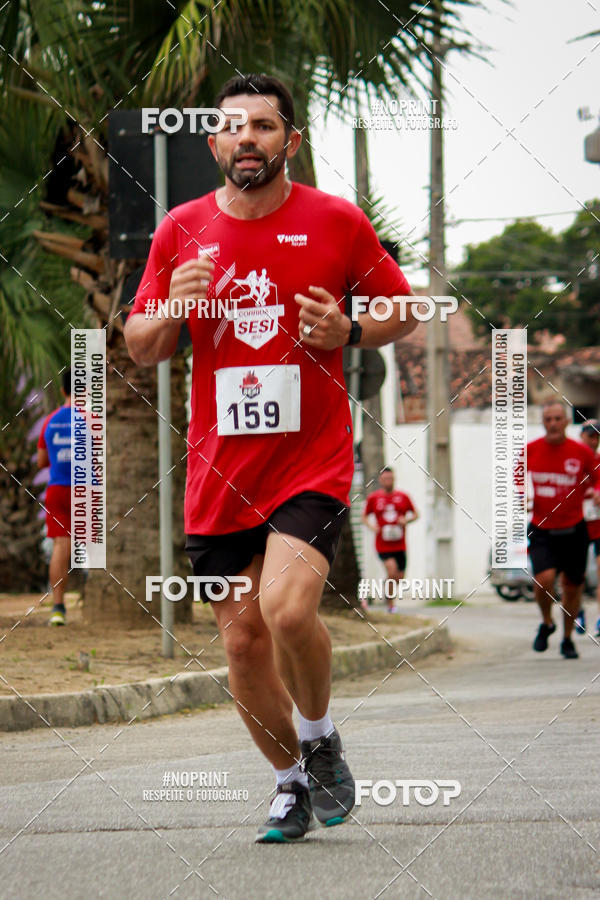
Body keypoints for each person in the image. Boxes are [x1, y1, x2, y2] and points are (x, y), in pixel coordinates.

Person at [124, 73, 418, 843]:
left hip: (309, 463)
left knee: (287, 610)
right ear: (216, 144)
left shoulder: (334, 220)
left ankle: (320, 737)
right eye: (233, 127)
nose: (246, 137)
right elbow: (141, 344)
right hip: (218, 474)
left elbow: (403, 305)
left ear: (291, 141)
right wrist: (172, 308)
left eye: (263, 125)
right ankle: (290, 784)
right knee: (242, 638)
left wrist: (350, 330)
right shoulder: (180, 230)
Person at [527, 401, 600, 659]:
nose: (553, 424)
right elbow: (514, 479)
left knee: (572, 587)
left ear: (567, 422)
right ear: (543, 422)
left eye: (558, 418)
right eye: (548, 419)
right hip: (542, 528)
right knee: (544, 580)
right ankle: (547, 622)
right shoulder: (531, 450)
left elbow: (597, 477)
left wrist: (596, 492)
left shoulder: (581, 452)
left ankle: (567, 638)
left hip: (574, 530)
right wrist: (520, 496)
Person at [37, 369, 72, 626]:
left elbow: (41, 461)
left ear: (63, 390)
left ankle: (58, 608)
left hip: (58, 489)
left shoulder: (50, 421)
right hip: (86, 489)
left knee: (61, 546)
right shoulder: (92, 419)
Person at [362, 467, 419, 612]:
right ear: (381, 481)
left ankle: (387, 587)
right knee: (392, 571)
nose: (388, 481)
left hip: (400, 544)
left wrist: (406, 520)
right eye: (385, 479)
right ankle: (391, 605)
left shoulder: (403, 496)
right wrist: (372, 526)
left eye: (391, 479)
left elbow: (416, 514)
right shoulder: (374, 498)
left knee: (399, 577)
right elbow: (364, 516)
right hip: (383, 544)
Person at [578, 420, 600, 637]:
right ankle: (579, 613)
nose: (593, 440)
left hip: (599, 525)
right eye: (589, 435)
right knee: (577, 573)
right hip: (577, 524)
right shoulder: (573, 461)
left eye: (596, 436)